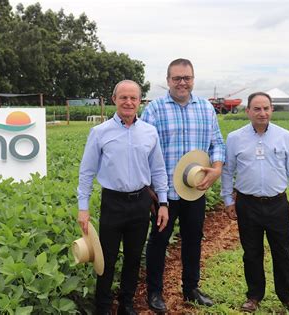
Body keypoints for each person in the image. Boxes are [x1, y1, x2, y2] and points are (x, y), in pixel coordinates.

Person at [77, 80, 169, 315]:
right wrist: (83, 208)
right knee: (105, 259)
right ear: (114, 100)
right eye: (123, 97)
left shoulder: (149, 132)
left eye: (133, 98)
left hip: (141, 202)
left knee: (133, 257)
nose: (128, 102)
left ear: (140, 101)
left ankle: (126, 304)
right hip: (113, 203)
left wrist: (164, 203)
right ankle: (103, 307)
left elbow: (158, 170)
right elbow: (87, 172)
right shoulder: (100, 132)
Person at [141, 58, 225, 312]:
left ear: (193, 79)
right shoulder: (154, 109)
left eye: (187, 78)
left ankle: (191, 288)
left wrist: (217, 169)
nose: (182, 82)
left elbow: (217, 144)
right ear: (167, 81)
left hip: (194, 189)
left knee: (193, 239)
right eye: (177, 78)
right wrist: (151, 191)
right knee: (158, 242)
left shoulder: (206, 109)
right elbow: (143, 150)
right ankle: (154, 293)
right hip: (163, 193)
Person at [221, 92, 289, 314]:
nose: (262, 113)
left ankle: (288, 297)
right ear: (247, 111)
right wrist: (228, 199)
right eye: (257, 109)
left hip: (278, 204)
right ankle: (254, 296)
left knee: (284, 254)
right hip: (247, 205)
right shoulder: (235, 138)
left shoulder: (284, 137)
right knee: (251, 253)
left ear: (272, 110)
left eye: (266, 108)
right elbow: (228, 171)